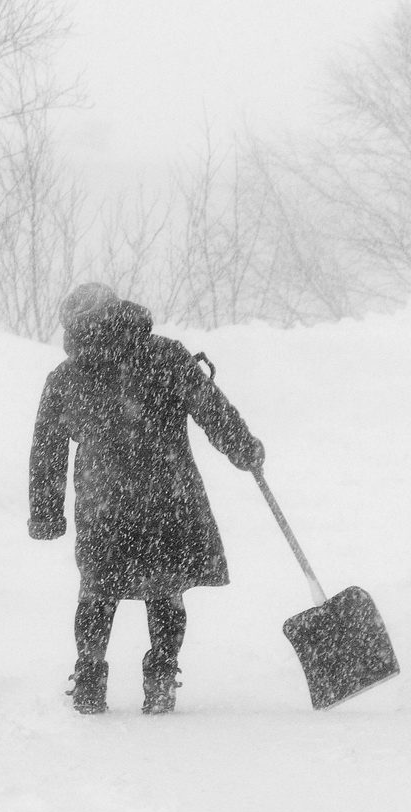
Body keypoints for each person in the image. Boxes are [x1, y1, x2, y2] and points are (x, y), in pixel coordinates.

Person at [28, 282, 264, 714]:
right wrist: (243, 447)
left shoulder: (66, 378)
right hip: (168, 497)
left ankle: (89, 676)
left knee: (97, 593)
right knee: (165, 590)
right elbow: (210, 407)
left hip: (105, 505)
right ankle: (160, 676)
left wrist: (46, 514)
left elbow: (48, 451)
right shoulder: (165, 356)